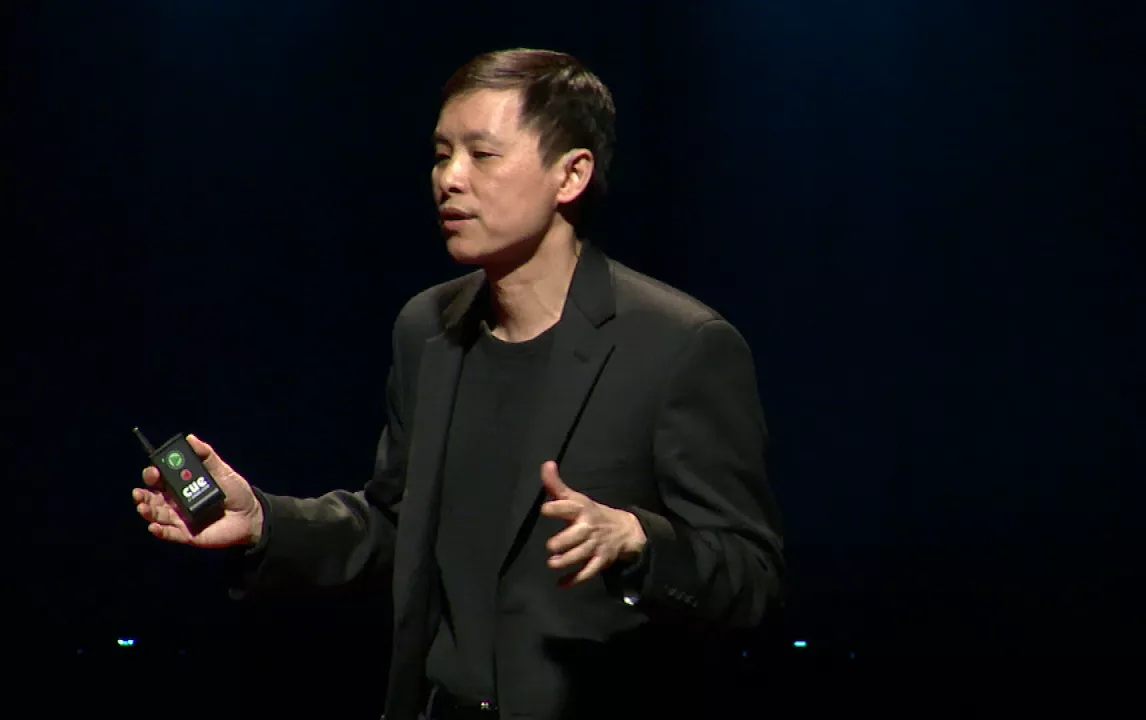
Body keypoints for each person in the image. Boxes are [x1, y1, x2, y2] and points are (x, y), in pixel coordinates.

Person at [132, 48, 784, 720]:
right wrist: (263, 524)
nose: (450, 178)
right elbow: (394, 528)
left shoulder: (679, 345)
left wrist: (638, 540)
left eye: (482, 154)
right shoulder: (427, 328)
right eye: (442, 155)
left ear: (571, 175)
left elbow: (752, 579)